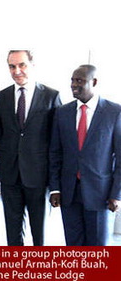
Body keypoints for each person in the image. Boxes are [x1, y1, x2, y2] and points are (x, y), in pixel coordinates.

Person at [0, 50, 61, 246]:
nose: (17, 71)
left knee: (40, 234)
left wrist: (54, 181)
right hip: (10, 176)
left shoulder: (51, 96)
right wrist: (0, 172)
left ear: (32, 64)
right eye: (12, 66)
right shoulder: (1, 97)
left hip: (38, 177)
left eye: (22, 65)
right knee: (12, 234)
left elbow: (56, 141)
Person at [49, 65, 121, 245]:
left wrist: (117, 194)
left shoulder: (114, 112)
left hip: (100, 194)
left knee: (97, 249)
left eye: (79, 81)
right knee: (73, 246)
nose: (74, 85)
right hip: (69, 193)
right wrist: (55, 188)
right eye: (72, 80)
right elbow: (55, 153)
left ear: (94, 82)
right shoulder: (62, 112)